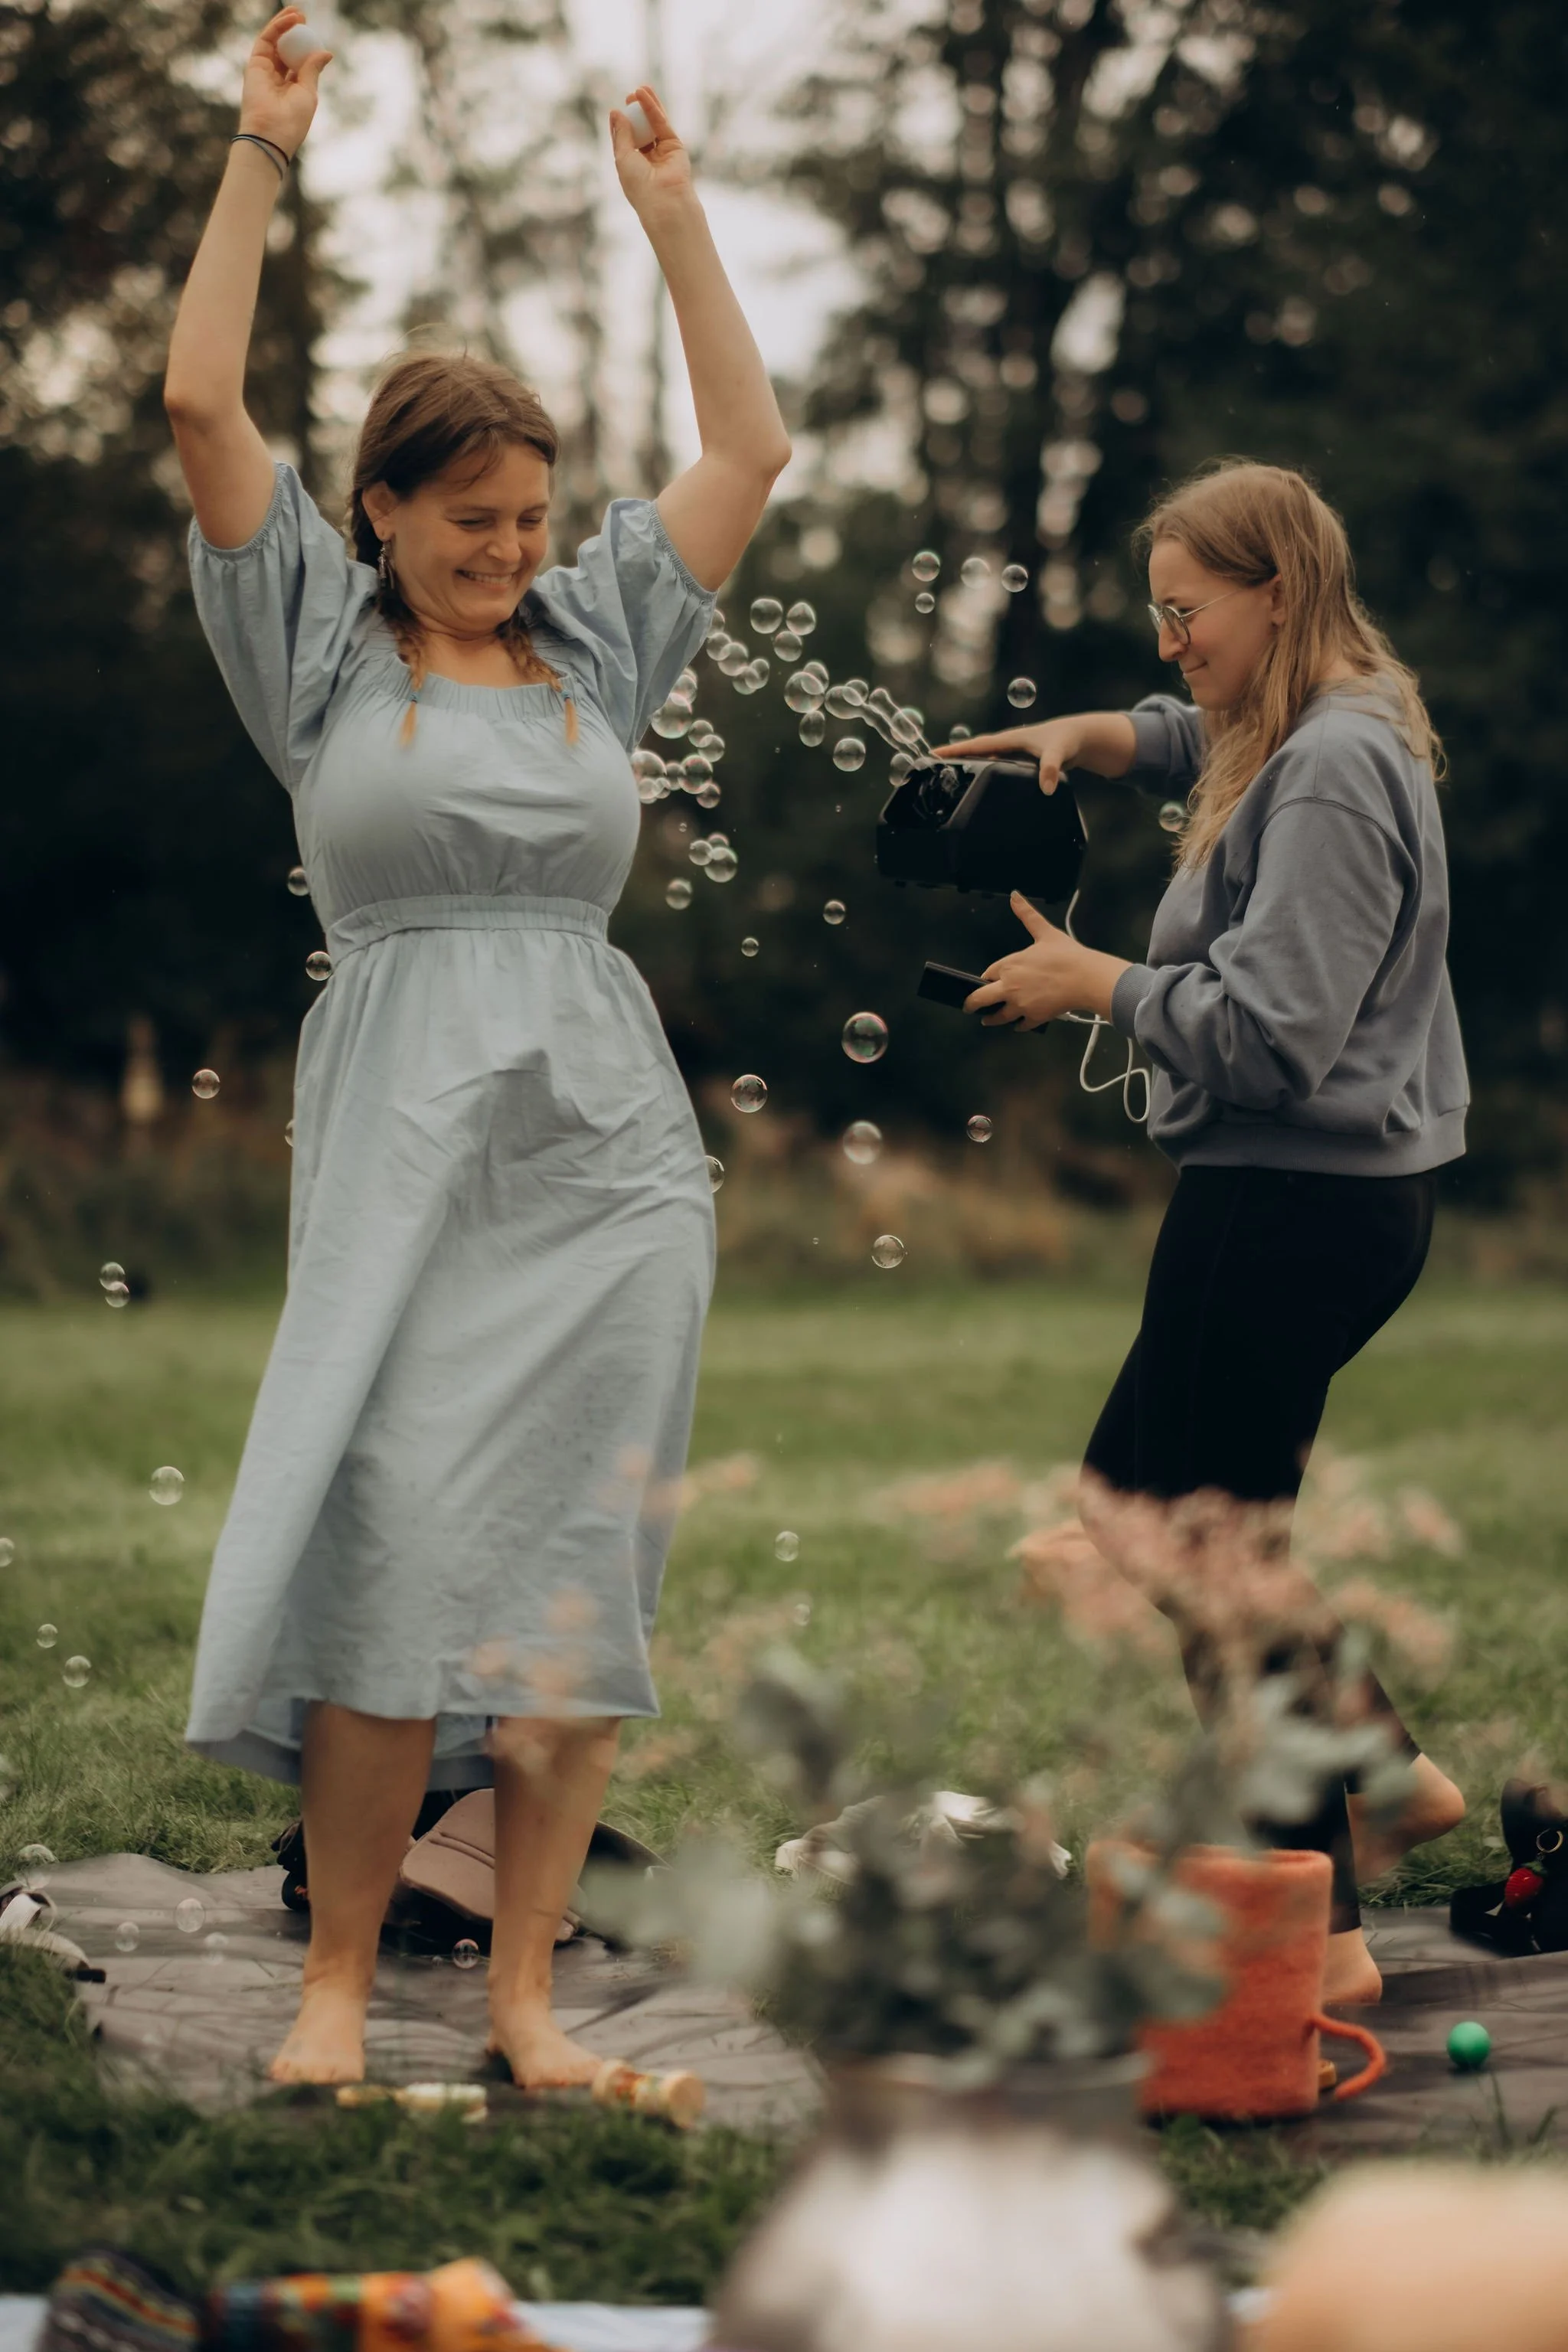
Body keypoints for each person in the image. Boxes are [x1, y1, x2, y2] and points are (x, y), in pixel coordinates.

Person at [163, 11, 790, 2086]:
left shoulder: (600, 640)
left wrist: (678, 222)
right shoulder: (314, 655)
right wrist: (263, 149)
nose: (513, 551)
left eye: (532, 518)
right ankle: (338, 1988)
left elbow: (749, 452)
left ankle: (524, 2003)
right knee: (394, 1539)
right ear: (382, 510)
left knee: (569, 1579)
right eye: (474, 521)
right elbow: (191, 395)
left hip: (606, 1160)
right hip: (406, 1148)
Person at [944, 462, 1468, 2007]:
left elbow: (1280, 1032)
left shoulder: (1325, 770)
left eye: (1186, 615)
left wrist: (1089, 983)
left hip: (1290, 1199)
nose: (1169, 645)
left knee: (1217, 1559)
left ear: (1274, 597)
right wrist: (1089, 737)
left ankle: (1328, 1935)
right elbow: (1199, 731)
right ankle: (1384, 1773)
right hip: (1300, 1194)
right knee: (1128, 1508)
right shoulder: (1320, 711)